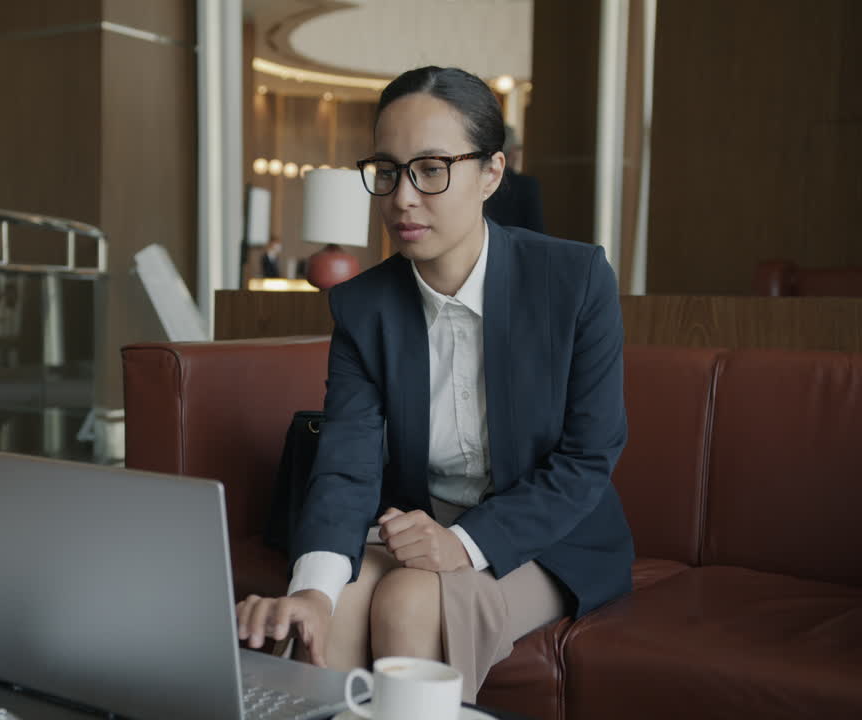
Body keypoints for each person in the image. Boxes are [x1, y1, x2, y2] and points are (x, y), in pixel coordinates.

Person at [235, 67, 632, 702]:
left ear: (492, 173)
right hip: (415, 525)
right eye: (388, 171)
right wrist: (311, 587)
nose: (403, 198)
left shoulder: (573, 279)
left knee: (410, 600)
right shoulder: (364, 307)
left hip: (548, 535)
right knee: (324, 610)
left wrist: (463, 543)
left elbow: (587, 459)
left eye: (431, 168)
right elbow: (345, 468)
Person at [483, 125, 545, 232]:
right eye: (519, 148)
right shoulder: (526, 185)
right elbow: (537, 231)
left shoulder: (478, 179)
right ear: (512, 151)